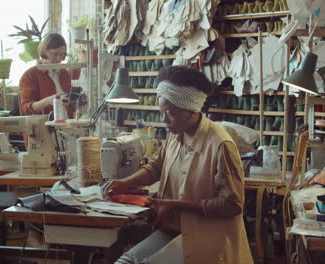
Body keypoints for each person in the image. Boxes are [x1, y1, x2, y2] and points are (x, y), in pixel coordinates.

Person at [104, 65, 253, 263]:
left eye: (170, 114)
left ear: (191, 112)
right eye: (162, 112)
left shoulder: (220, 145)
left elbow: (232, 204)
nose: (163, 120)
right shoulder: (176, 134)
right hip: (174, 229)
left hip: (208, 236)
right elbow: (157, 166)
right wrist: (124, 183)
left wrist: (176, 205)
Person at [19, 33, 72, 116]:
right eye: (54, 54)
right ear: (44, 52)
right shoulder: (30, 75)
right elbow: (25, 109)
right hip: (41, 126)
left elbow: (68, 104)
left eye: (62, 54)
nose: (59, 58)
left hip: (63, 123)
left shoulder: (64, 73)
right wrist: (49, 100)